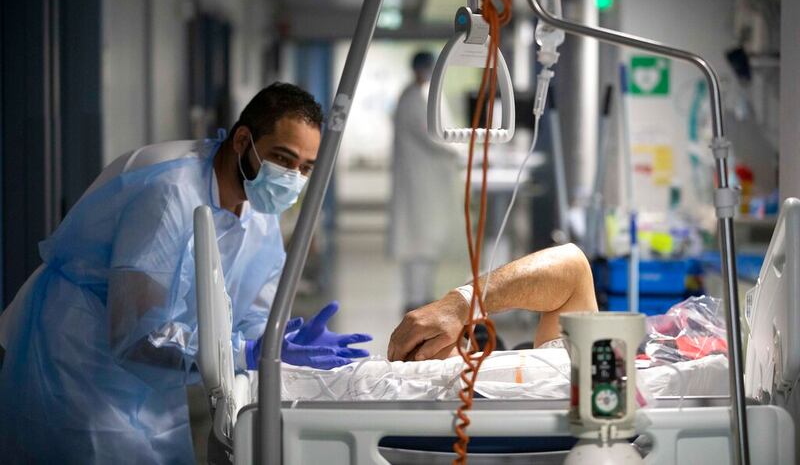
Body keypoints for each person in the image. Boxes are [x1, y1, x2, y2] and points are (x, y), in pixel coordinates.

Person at [0, 83, 371, 464]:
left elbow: (252, 312)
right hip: (80, 358)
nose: (292, 178)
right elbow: (137, 333)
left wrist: (279, 340)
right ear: (243, 140)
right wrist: (245, 353)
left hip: (156, 375)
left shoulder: (260, 213)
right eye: (282, 159)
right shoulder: (168, 195)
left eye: (305, 168)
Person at [387, 243, 597, 362]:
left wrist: (461, 305)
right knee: (484, 337)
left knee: (483, 337)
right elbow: (573, 268)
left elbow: (572, 268)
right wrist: (460, 305)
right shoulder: (565, 372)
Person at [389, 51, 461, 313]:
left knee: (426, 242)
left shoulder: (422, 94)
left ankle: (422, 296)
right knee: (418, 242)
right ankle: (416, 299)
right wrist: (463, 150)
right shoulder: (413, 98)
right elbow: (434, 136)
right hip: (418, 184)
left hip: (427, 182)